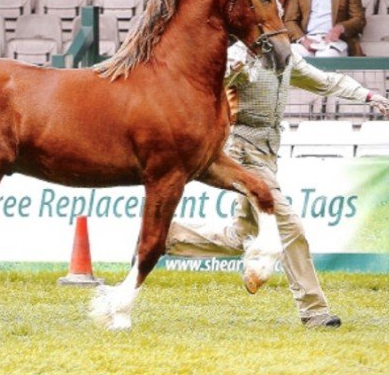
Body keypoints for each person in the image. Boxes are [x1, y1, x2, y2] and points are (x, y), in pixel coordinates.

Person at [166, 41, 389, 329]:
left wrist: (368, 95)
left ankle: (166, 237)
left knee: (242, 235)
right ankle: (314, 310)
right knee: (289, 226)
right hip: (242, 155)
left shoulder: (288, 59)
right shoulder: (239, 55)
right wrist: (230, 72)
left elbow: (326, 82)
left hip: (268, 155)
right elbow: (206, 83)